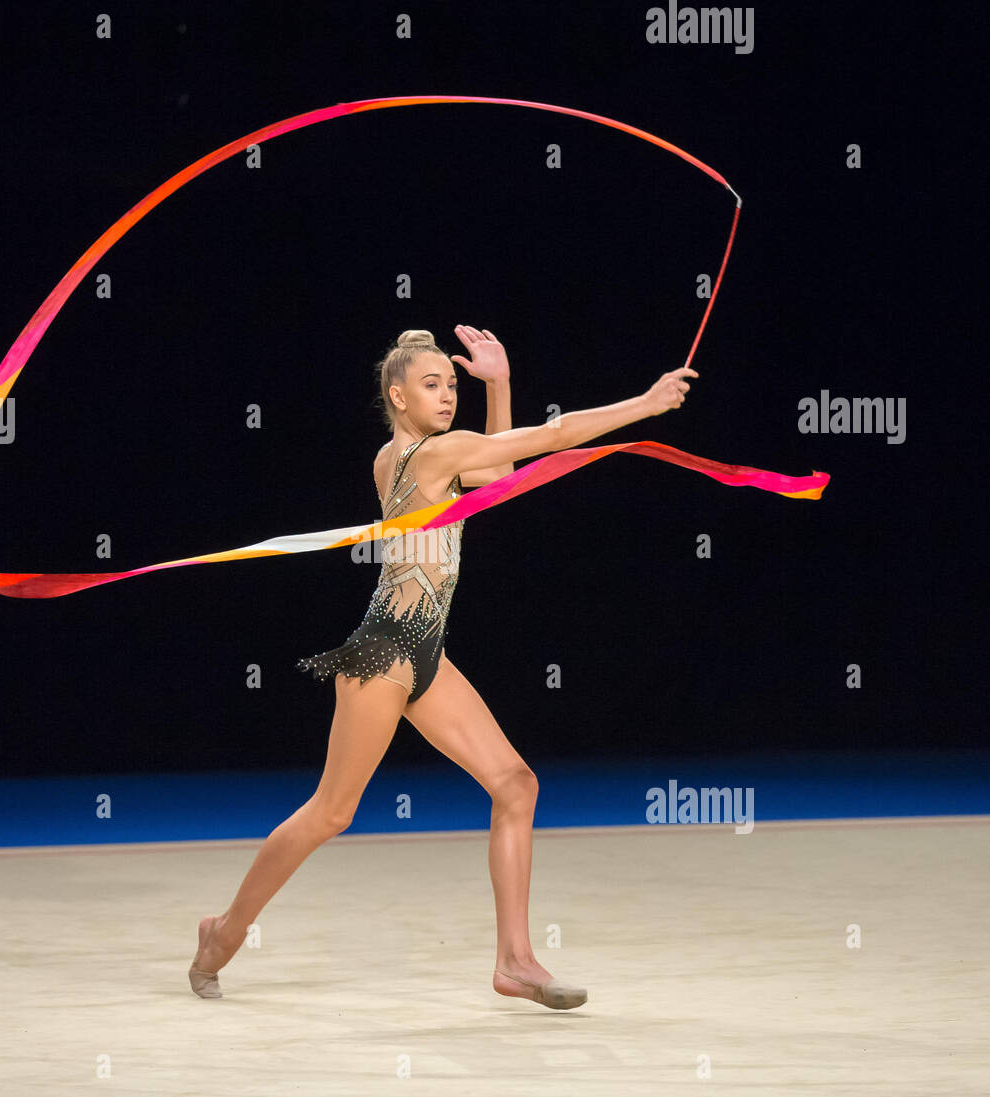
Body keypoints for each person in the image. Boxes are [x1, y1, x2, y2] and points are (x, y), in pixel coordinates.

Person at [190, 325, 695, 1009]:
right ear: (395, 394)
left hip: (427, 652)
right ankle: (226, 928)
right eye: (434, 383)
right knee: (331, 812)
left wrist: (497, 384)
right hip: (384, 651)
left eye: (452, 384)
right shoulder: (430, 455)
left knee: (516, 784)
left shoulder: (399, 457)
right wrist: (646, 403)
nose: (447, 393)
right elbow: (542, 442)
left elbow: (496, 477)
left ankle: (516, 960)